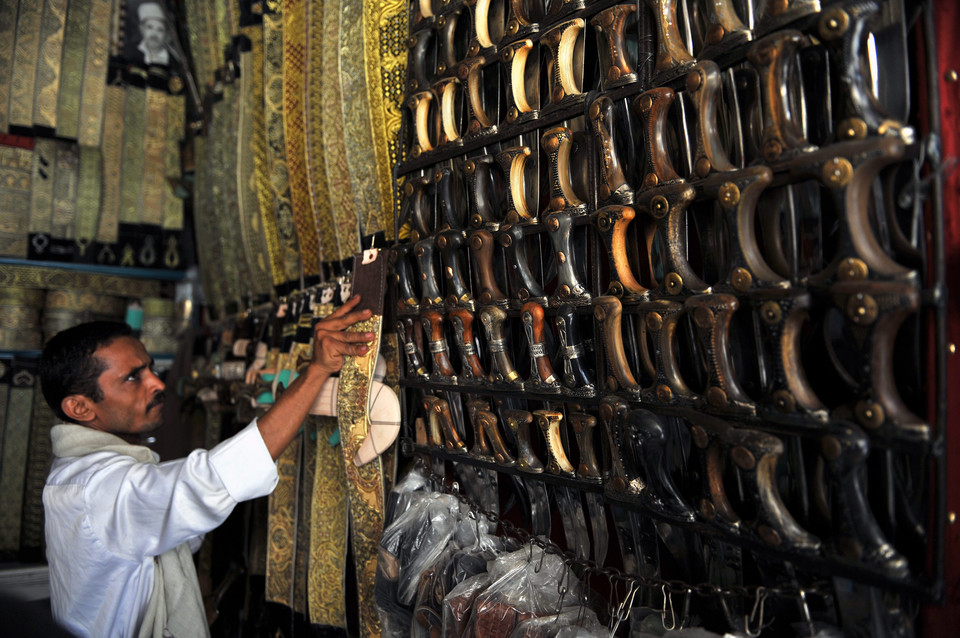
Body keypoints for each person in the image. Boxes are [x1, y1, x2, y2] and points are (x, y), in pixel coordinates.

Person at [38, 297, 374, 638]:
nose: (157, 384)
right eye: (132, 378)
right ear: (80, 408)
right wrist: (315, 371)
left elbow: (182, 519)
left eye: (151, 369)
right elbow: (209, 482)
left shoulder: (80, 476)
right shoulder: (100, 490)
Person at [134, 2, 171, 66]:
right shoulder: (131, 53)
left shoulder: (173, 61)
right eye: (150, 27)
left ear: (166, 34)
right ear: (142, 29)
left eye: (160, 30)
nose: (154, 34)